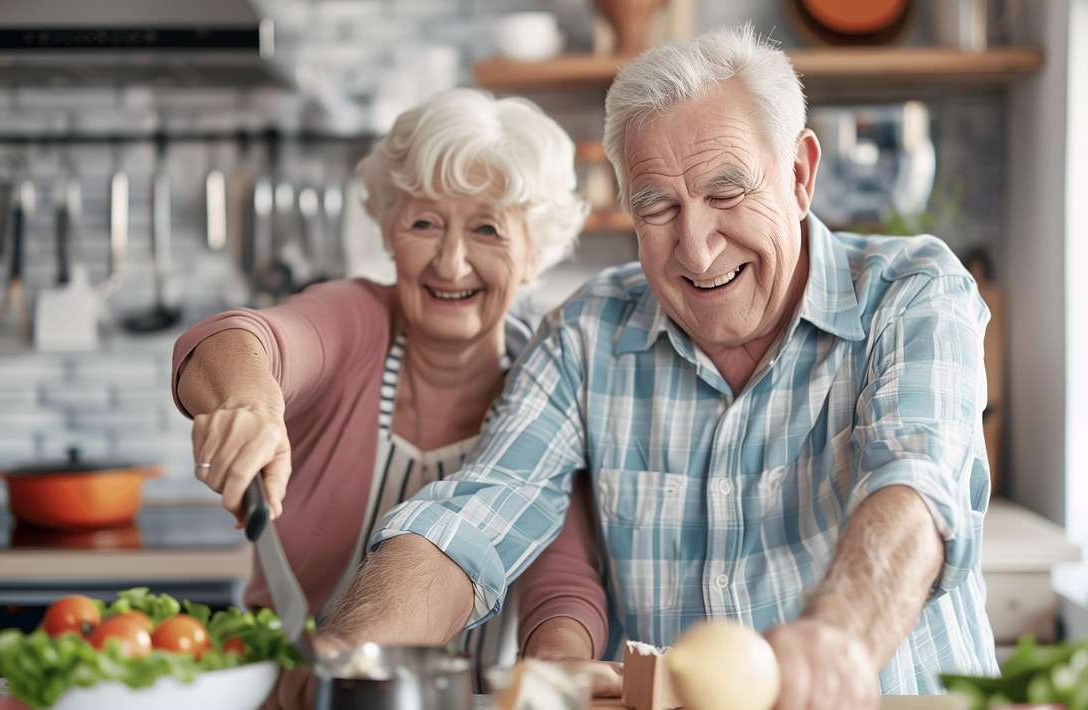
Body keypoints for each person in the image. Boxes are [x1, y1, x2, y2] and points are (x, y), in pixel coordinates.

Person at [308, 22, 1000, 710]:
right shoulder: (586, 335)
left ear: (799, 176)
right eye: (658, 206)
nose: (696, 249)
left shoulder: (910, 292)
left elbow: (916, 483)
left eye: (727, 193)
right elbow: (475, 517)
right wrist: (347, 660)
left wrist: (838, 640)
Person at [168, 87, 595, 697]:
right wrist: (249, 405)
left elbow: (564, 582)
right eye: (424, 223)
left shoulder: (550, 383)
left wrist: (555, 669)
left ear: (534, 254)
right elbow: (239, 339)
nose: (451, 262)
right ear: (391, 233)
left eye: (487, 230)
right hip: (285, 695)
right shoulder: (358, 322)